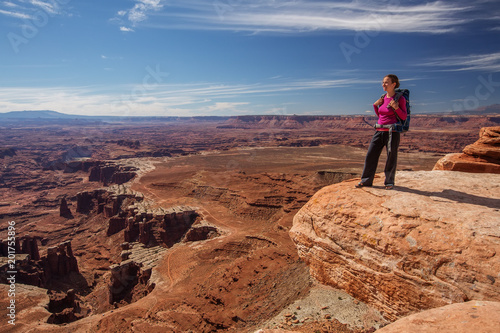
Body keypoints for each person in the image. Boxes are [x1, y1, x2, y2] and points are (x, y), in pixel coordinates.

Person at [356, 74, 407, 190]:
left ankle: (389, 182)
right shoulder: (383, 98)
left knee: (391, 157)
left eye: (386, 82)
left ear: (393, 84)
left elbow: (403, 117)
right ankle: (366, 181)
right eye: (383, 82)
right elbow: (381, 116)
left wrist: (396, 107)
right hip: (379, 130)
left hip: (392, 132)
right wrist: (375, 106)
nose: (383, 84)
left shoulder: (400, 99)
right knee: (371, 155)